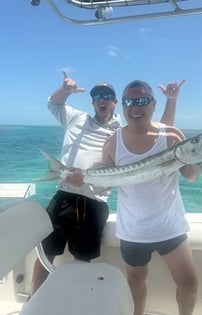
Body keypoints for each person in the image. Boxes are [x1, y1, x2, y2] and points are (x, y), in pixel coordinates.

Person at [30, 72, 185, 296]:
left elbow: (161, 135)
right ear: (92, 102)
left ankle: (75, 303)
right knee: (45, 252)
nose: (101, 99)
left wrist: (171, 101)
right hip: (64, 194)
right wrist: (65, 90)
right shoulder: (76, 118)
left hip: (95, 201)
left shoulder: (123, 128)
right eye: (97, 96)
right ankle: (32, 300)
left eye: (107, 96)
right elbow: (52, 103)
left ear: (115, 102)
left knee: (82, 260)